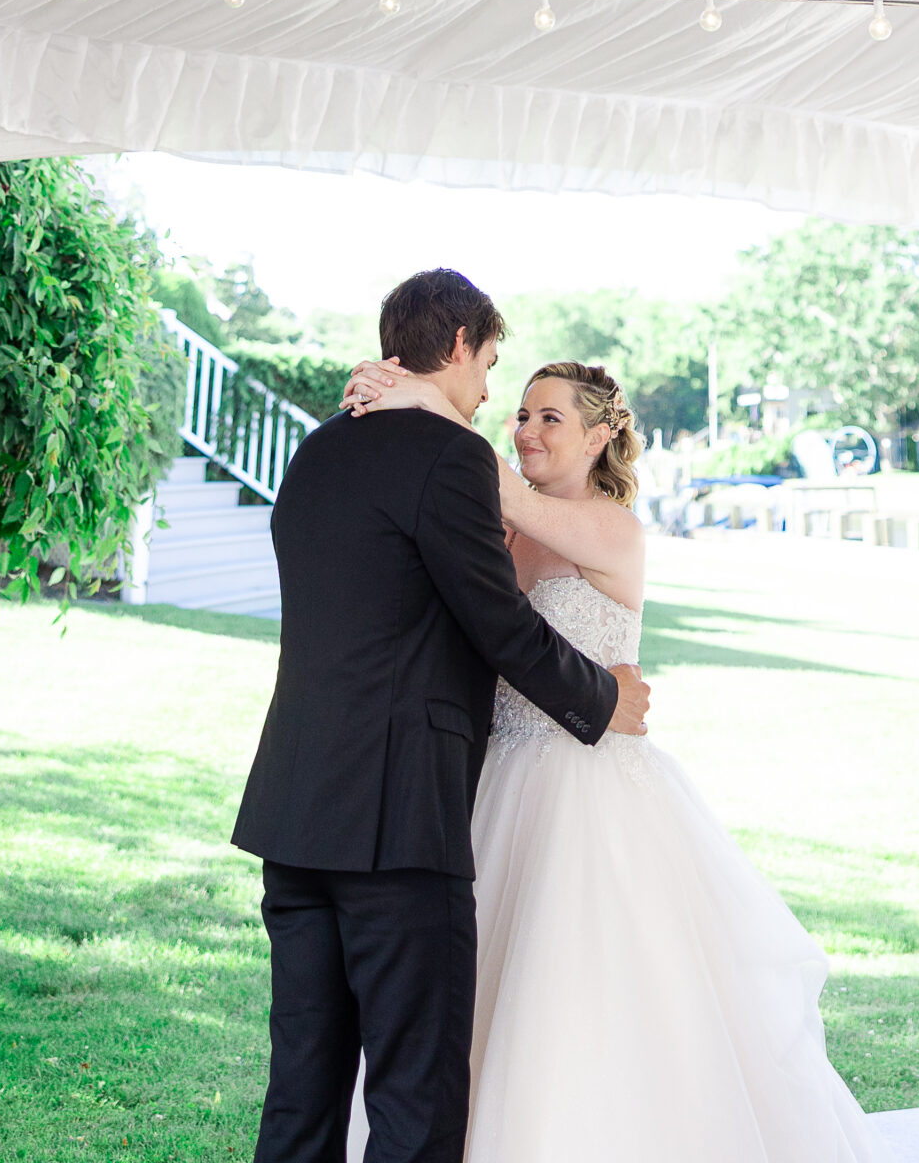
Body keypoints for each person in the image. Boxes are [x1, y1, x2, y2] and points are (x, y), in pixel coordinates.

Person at [341, 349, 883, 1163]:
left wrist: (419, 392)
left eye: (549, 417)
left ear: (598, 440)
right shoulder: (500, 531)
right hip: (493, 783)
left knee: (585, 995)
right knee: (479, 995)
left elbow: (493, 484)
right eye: (519, 414)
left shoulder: (605, 527)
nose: (525, 429)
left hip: (585, 789)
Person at [232, 268, 652, 1163]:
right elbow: (497, 624)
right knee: (416, 1095)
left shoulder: (314, 450)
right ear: (458, 345)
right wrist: (604, 697)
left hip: (294, 807)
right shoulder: (451, 456)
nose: (492, 393)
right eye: (489, 364)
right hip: (398, 819)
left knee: (301, 1087)